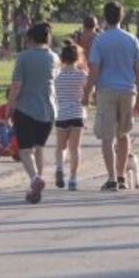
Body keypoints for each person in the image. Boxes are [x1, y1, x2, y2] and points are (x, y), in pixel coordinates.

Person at [83, 1, 139, 191]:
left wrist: (87, 93)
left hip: (106, 90)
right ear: (122, 16)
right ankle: (122, 175)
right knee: (124, 134)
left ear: (105, 17)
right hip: (127, 90)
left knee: (107, 136)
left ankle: (111, 177)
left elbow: (94, 70)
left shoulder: (100, 41)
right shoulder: (132, 40)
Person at [8, 22, 59, 204]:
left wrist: (10, 106)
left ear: (30, 39)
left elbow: (16, 86)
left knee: (25, 150)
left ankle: (35, 179)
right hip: (48, 110)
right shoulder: (54, 57)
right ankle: (35, 186)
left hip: (26, 108)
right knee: (39, 148)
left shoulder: (24, 57)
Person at [53, 42, 87, 190]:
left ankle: (60, 168)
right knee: (74, 148)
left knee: (61, 147)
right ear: (77, 58)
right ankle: (73, 178)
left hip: (61, 113)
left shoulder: (57, 76)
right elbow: (89, 90)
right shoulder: (81, 75)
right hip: (77, 113)